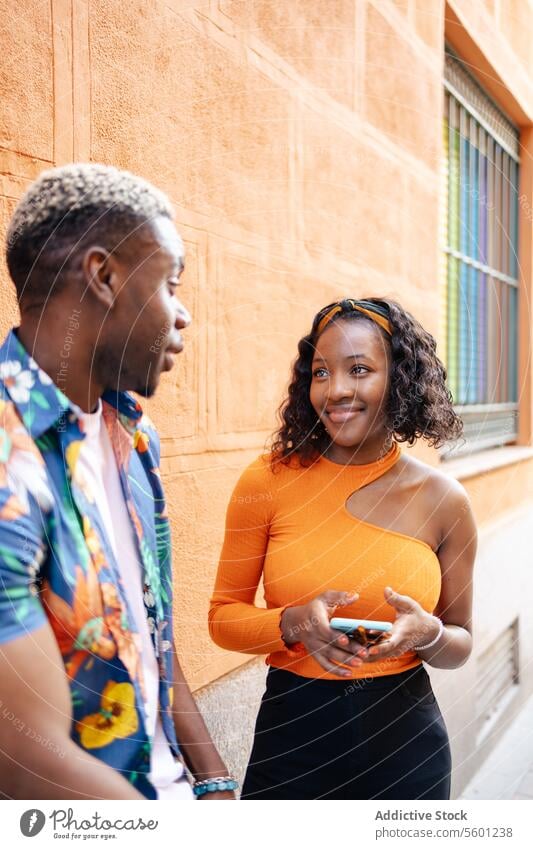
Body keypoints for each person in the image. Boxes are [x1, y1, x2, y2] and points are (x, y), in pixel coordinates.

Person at [0, 163, 237, 800]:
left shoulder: (133, 434)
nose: (182, 315)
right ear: (105, 277)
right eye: (172, 282)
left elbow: (150, 636)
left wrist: (216, 784)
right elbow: (25, 762)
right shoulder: (8, 460)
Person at [209, 297, 477, 800]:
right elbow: (222, 618)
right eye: (320, 372)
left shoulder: (445, 501)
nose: (336, 391)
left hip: (406, 747)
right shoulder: (267, 481)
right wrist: (291, 623)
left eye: (359, 369)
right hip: (291, 739)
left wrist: (427, 632)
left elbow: (460, 642)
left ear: (399, 379)